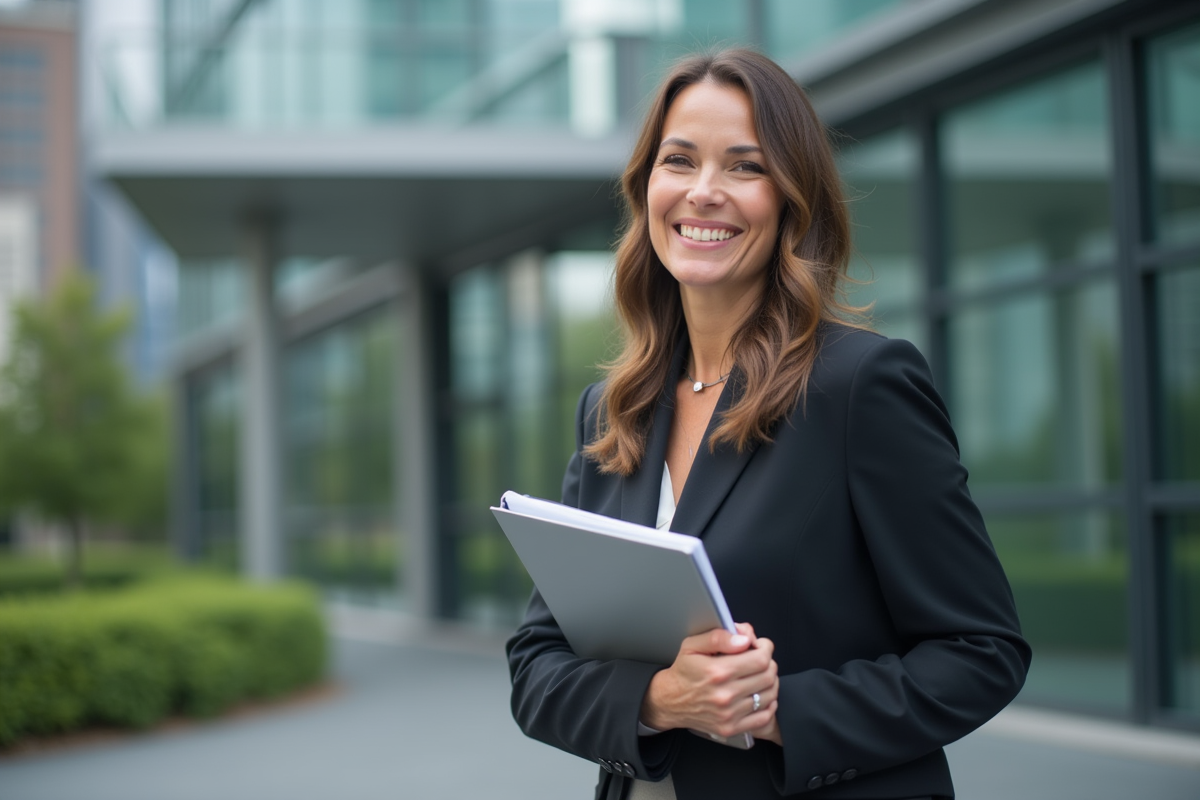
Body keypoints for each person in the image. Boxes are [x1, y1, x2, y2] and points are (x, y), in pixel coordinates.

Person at [506, 48, 1030, 800]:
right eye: (678, 160)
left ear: (792, 198)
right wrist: (658, 701)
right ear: (646, 186)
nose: (704, 192)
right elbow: (537, 667)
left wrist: (776, 709)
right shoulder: (615, 410)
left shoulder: (859, 387)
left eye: (745, 168)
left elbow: (982, 651)